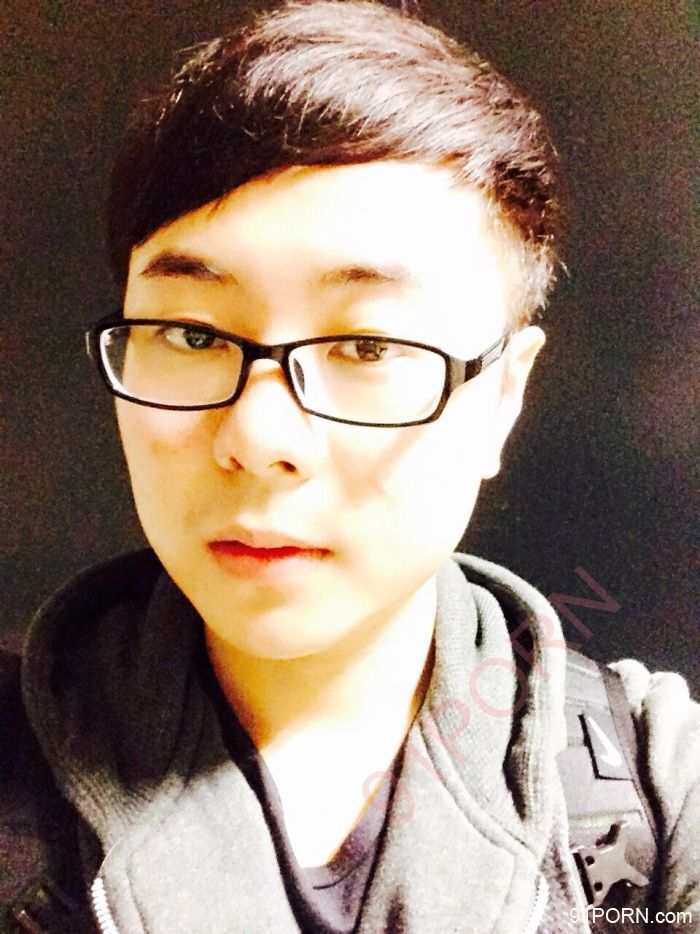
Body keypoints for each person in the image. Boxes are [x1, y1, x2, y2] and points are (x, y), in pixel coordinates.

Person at [2, 1, 698, 931]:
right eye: (192, 334)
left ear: (502, 396)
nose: (260, 436)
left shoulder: (656, 789)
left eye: (368, 347)